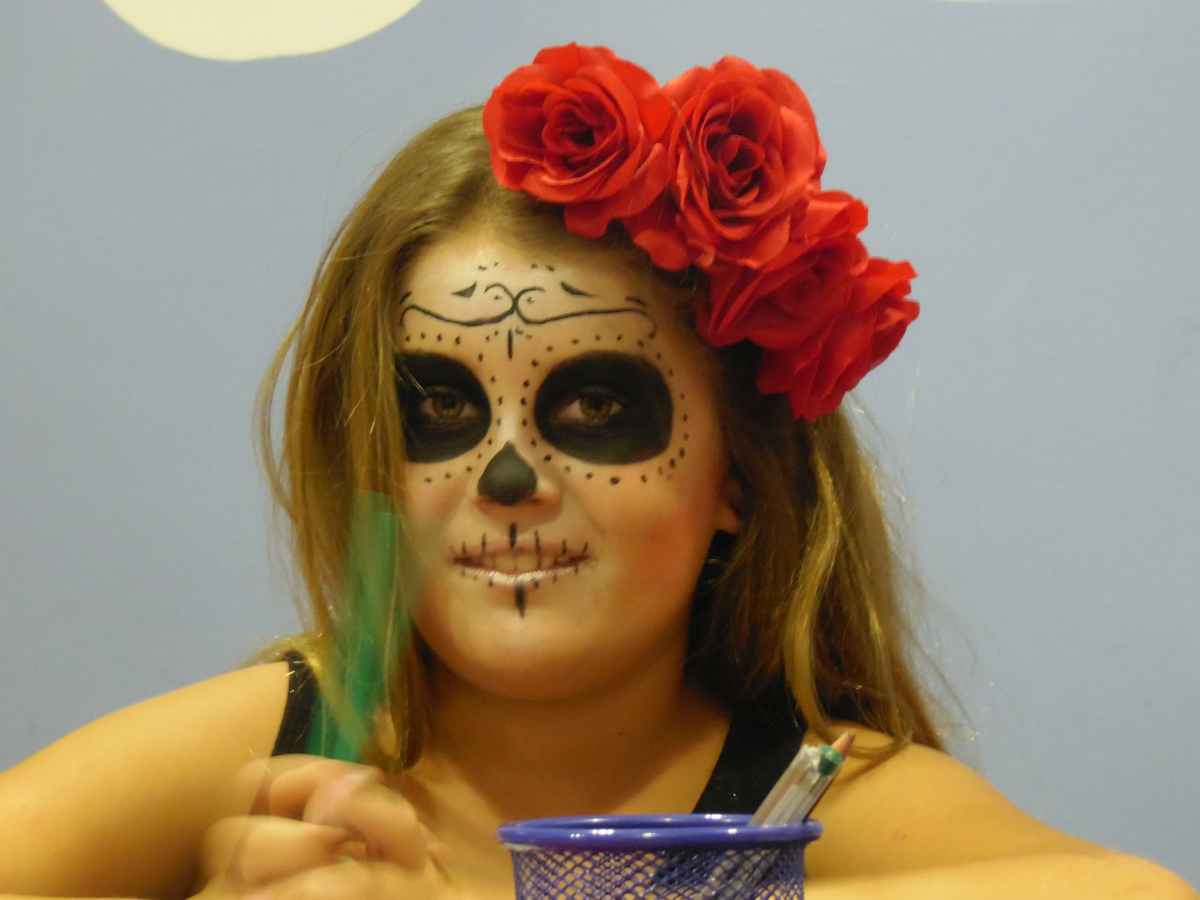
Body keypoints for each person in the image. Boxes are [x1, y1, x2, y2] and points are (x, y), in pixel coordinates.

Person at [0, 43, 1192, 900]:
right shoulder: (284, 743)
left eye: (596, 406)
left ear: (738, 478)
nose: (507, 477)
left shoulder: (811, 792)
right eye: (439, 409)